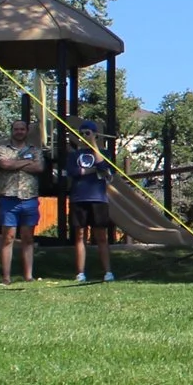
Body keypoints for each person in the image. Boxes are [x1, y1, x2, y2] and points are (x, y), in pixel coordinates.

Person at [0, 117, 44, 285]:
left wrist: (16, 163)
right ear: (12, 131)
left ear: (26, 131)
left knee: (28, 237)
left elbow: (39, 168)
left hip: (29, 198)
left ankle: (28, 275)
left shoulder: (35, 150)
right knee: (8, 237)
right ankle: (6, 277)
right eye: (16, 129)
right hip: (9, 198)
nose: (19, 132)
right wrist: (27, 162)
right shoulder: (3, 149)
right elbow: (4, 164)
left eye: (22, 129)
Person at [66, 119, 115, 283]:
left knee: (101, 236)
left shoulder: (105, 153)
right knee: (80, 235)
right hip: (78, 198)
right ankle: (80, 273)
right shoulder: (74, 155)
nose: (84, 136)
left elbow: (105, 169)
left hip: (98, 199)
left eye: (88, 133)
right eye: (82, 134)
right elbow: (74, 172)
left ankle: (108, 272)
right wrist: (92, 170)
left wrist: (93, 144)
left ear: (95, 134)